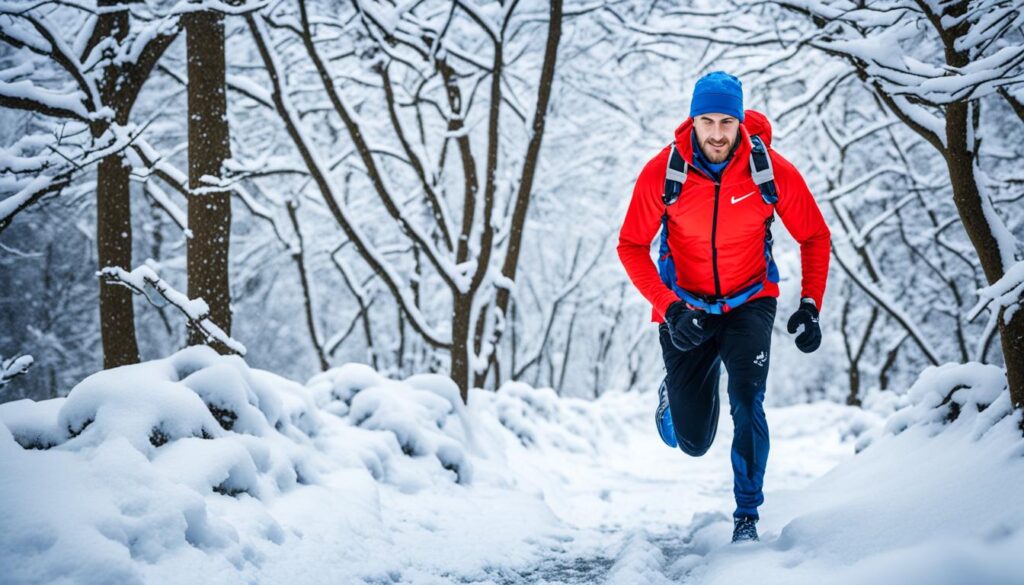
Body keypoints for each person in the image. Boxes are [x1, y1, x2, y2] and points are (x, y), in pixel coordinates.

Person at [616, 71, 831, 543]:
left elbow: (814, 234)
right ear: (692, 120)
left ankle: (747, 518)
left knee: (748, 397)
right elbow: (630, 245)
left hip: (749, 301)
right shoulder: (664, 172)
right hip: (685, 310)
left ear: (740, 123)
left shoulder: (767, 170)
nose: (716, 133)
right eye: (706, 121)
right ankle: (675, 393)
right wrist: (670, 308)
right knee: (691, 442)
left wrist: (811, 303)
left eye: (726, 122)